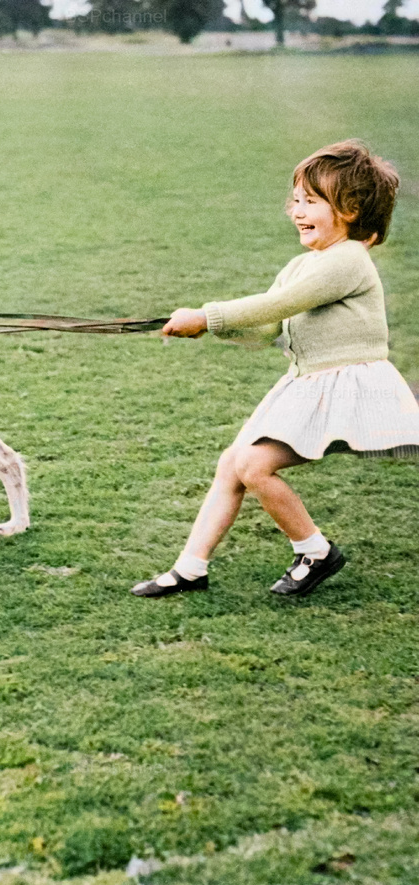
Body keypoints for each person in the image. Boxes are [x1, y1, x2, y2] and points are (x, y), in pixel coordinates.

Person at [132, 140, 419, 599]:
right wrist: (205, 328)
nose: (297, 210)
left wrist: (206, 316)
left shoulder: (347, 260)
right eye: (296, 200)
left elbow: (280, 304)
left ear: (349, 210)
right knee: (233, 464)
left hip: (348, 384)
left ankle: (315, 551)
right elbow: (267, 327)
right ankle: (190, 568)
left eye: (312, 201)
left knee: (253, 465)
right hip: (308, 382)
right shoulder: (303, 265)